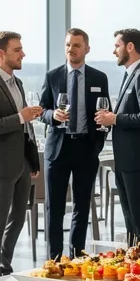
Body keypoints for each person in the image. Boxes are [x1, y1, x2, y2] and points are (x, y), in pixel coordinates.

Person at [0, 31, 42, 278]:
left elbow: (25, 127)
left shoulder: (18, 83)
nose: (22, 53)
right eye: (17, 50)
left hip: (22, 162)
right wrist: (20, 117)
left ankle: (4, 264)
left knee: (18, 218)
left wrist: (32, 159)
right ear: (1, 53)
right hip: (0, 165)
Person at [40, 28, 110, 259]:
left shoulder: (100, 78)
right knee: (55, 208)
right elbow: (42, 110)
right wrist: (53, 116)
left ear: (86, 49)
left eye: (76, 45)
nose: (71, 49)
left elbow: (104, 111)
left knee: (82, 206)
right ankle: (54, 258)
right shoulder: (52, 76)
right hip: (58, 148)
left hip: (86, 147)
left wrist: (97, 143)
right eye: (68, 45)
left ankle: (77, 255)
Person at [96, 29, 140, 242]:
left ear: (130, 47)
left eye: (117, 46)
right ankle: (135, 260)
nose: (114, 51)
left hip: (137, 158)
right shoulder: (130, 74)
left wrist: (115, 119)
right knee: (130, 216)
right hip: (125, 159)